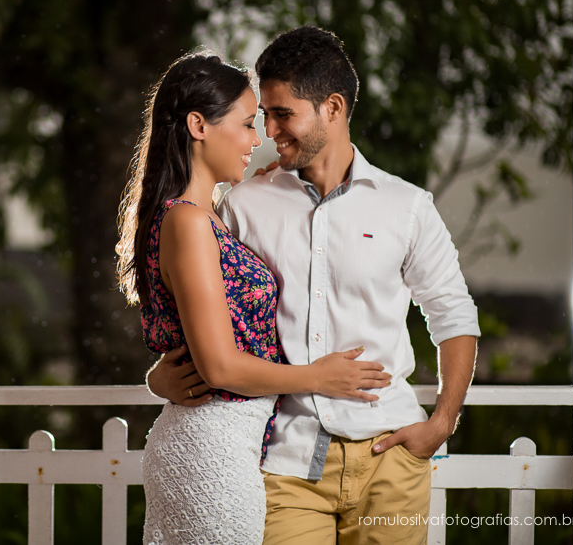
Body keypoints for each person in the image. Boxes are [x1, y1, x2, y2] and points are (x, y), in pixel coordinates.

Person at [147, 27, 480, 545]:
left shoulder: (407, 206)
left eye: (283, 115)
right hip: (287, 459)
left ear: (332, 107)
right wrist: (159, 377)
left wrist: (442, 422)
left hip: (390, 456)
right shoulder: (242, 204)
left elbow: (453, 314)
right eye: (262, 117)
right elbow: (196, 302)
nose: (270, 132)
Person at [116, 52, 392, 545]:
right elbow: (220, 367)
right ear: (198, 125)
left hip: (227, 442)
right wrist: (317, 376)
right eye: (246, 124)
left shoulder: (204, 217)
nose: (257, 138)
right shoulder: (188, 222)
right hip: (209, 449)